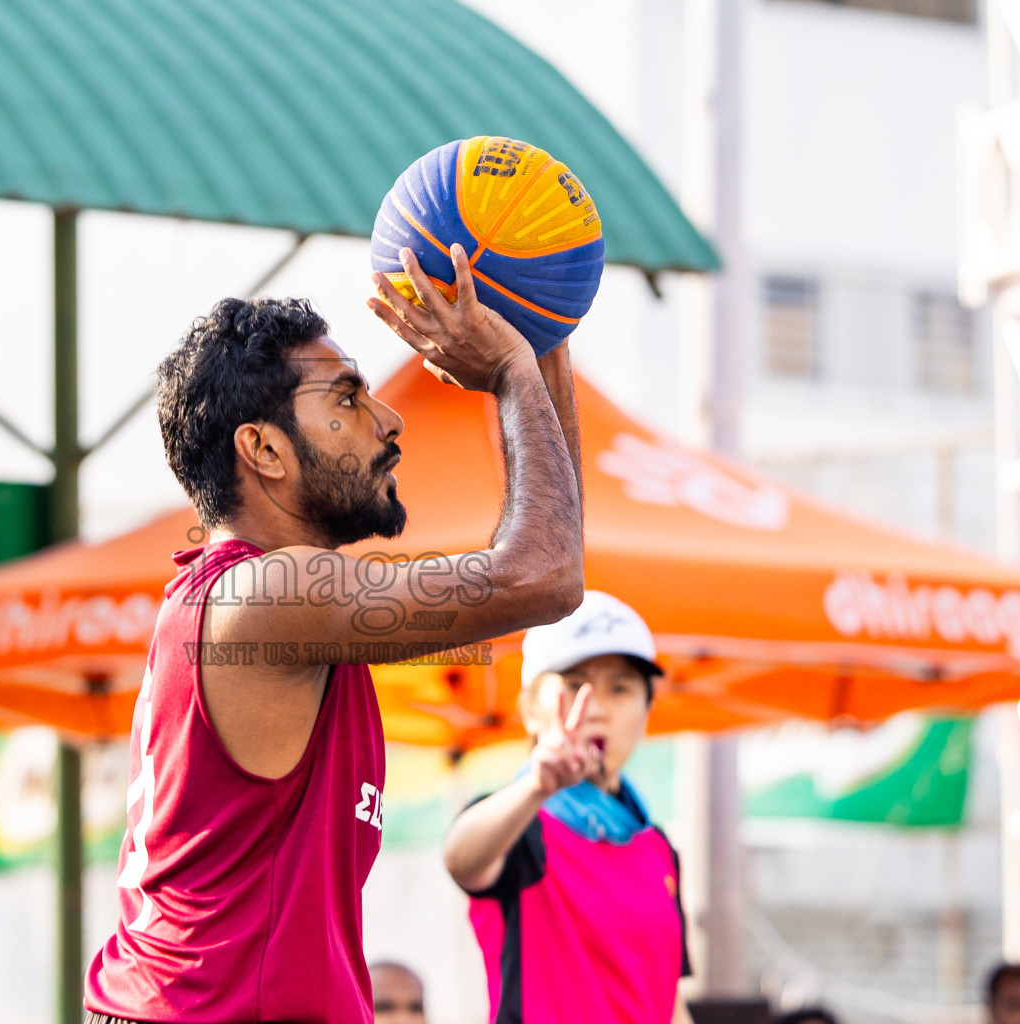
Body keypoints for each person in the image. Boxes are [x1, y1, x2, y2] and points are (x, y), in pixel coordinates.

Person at [84, 243, 586, 1023]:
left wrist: (542, 337)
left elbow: (554, 559)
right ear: (265, 449)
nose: (389, 420)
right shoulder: (271, 593)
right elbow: (544, 575)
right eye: (348, 399)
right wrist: (514, 370)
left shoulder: (264, 597)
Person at [443, 591, 691, 1024]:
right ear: (531, 712)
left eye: (620, 688)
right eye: (576, 685)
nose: (595, 709)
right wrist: (536, 788)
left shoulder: (658, 847)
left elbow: (667, 1000)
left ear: (648, 710)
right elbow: (462, 859)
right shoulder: (520, 825)